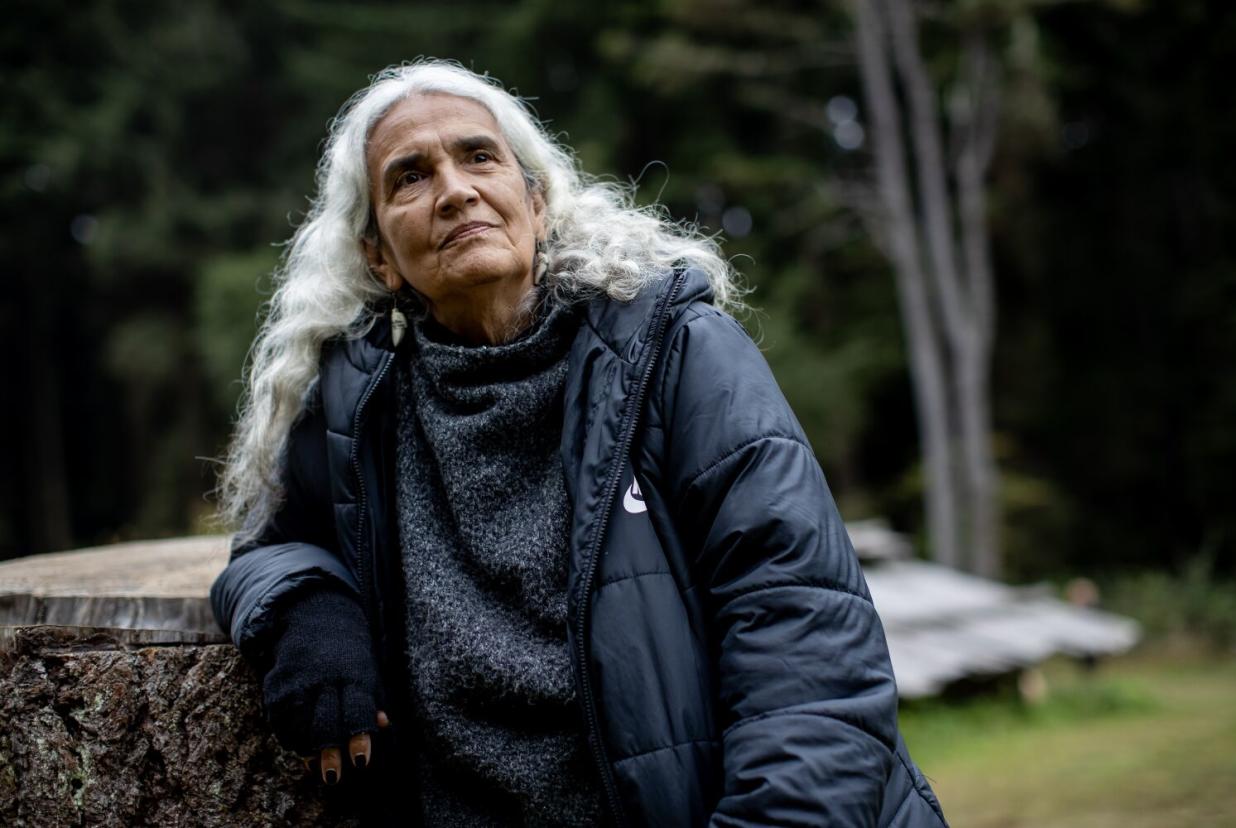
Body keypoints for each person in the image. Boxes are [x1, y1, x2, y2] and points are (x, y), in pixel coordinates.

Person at [209, 60, 947, 827]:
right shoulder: (357, 404)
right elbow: (266, 546)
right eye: (411, 177)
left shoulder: (675, 351)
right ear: (379, 259)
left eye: (479, 157)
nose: (457, 189)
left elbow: (806, 637)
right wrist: (309, 607)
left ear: (535, 200)